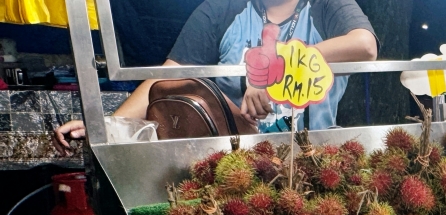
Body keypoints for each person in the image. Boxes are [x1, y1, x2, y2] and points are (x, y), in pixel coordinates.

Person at [56, 0, 377, 148]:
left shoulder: (327, 5)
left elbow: (364, 45)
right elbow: (166, 78)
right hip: (230, 162)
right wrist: (110, 127)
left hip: (313, 157)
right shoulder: (221, 9)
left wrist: (278, 62)